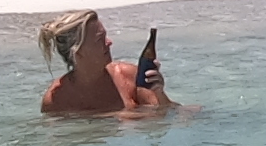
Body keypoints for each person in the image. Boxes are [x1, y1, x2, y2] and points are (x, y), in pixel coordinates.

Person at [37, 8, 174, 116]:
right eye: (99, 39)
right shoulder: (56, 101)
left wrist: (159, 93)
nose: (109, 42)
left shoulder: (128, 75)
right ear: (77, 51)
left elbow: (163, 119)